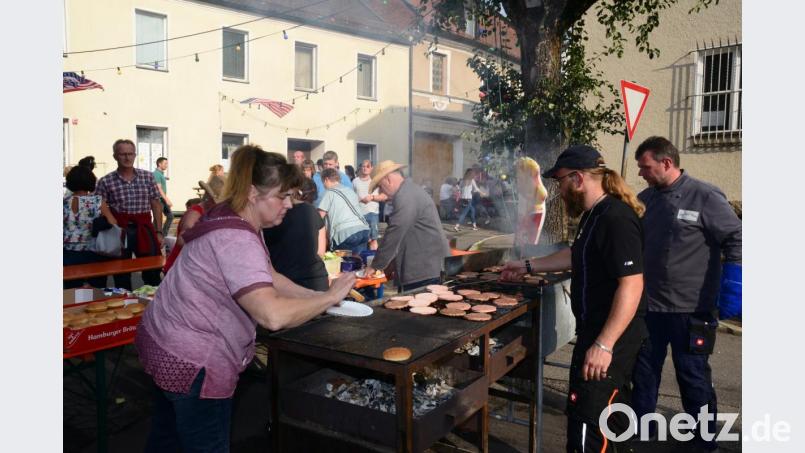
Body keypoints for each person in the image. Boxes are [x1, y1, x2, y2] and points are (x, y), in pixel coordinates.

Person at [136, 145, 355, 452]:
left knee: (167, 441)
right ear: (254, 193)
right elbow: (272, 315)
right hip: (195, 359)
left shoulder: (237, 217)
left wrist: (322, 298)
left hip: (167, 341)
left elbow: (270, 276)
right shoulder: (237, 238)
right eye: (282, 196)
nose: (290, 205)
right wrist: (328, 296)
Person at [501, 145, 647, 453]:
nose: (559, 190)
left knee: (588, 427)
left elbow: (632, 285)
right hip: (595, 335)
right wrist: (526, 265)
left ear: (578, 179)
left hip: (608, 341)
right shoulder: (595, 214)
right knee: (611, 421)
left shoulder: (615, 219)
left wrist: (604, 345)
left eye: (561, 181)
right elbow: (574, 255)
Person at [631, 136, 742, 451]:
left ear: (666, 163)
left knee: (693, 377)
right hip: (650, 306)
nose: (642, 173)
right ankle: (642, 431)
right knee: (644, 371)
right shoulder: (647, 199)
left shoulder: (704, 196)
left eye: (646, 167)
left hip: (691, 309)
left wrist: (734, 281)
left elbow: (737, 236)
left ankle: (703, 441)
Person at [364, 160, 450, 292]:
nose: (381, 191)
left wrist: (375, 265)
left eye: (380, 186)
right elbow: (403, 235)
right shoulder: (408, 191)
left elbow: (395, 232)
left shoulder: (406, 195)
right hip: (425, 268)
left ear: (388, 180)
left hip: (425, 270)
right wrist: (389, 265)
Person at [95, 139, 164, 289]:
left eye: (130, 154)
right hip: (120, 230)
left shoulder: (147, 177)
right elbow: (98, 201)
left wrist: (158, 231)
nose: (127, 158)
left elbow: (156, 204)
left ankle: (154, 302)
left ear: (135, 155)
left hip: (143, 228)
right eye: (122, 154)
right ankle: (124, 304)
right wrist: (109, 216)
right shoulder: (106, 180)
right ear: (115, 156)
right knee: (121, 271)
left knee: (152, 269)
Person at [264, 178, 329, 291]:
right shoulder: (312, 211)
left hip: (283, 283)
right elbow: (320, 253)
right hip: (316, 281)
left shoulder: (269, 216)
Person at [63, 165, 118, 289]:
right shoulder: (97, 201)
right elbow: (113, 223)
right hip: (94, 250)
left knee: (72, 289)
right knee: (96, 288)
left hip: (68, 252)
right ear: (91, 181)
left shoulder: (64, 202)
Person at [162, 189, 221, 275]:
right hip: (180, 268)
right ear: (209, 198)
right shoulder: (195, 213)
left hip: (190, 268)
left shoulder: (211, 213)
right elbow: (181, 240)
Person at [318, 168, 370, 255]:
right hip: (363, 230)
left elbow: (318, 218)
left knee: (343, 266)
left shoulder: (329, 193)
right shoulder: (350, 191)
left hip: (345, 234)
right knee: (359, 264)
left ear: (326, 179)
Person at [352, 160, 386, 250]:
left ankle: (373, 260)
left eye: (367, 166)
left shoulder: (376, 181)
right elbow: (351, 197)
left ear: (371, 168)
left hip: (372, 213)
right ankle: (362, 260)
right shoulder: (355, 181)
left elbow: (383, 197)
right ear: (360, 167)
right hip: (359, 214)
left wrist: (372, 197)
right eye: (363, 166)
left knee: (373, 239)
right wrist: (361, 200)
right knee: (361, 239)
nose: (365, 168)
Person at [514, 157, 549, 246]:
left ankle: (526, 256)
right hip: (526, 215)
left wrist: (526, 216)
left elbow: (541, 196)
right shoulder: (524, 184)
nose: (518, 176)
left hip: (533, 215)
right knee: (520, 241)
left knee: (529, 243)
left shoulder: (538, 188)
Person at [153, 157, 174, 237]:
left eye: (167, 163)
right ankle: (153, 235)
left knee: (170, 216)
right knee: (157, 219)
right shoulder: (156, 174)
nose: (166, 165)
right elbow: (159, 188)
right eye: (165, 163)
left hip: (162, 199)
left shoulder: (160, 174)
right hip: (159, 199)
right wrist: (167, 200)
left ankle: (163, 235)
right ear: (159, 164)